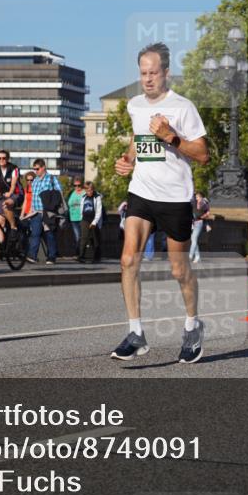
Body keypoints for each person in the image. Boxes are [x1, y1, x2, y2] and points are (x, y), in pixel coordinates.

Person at [111, 42, 209, 363]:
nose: (148, 79)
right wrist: (127, 160)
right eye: (143, 73)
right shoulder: (135, 105)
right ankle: (136, 333)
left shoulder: (183, 107)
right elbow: (137, 139)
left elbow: (203, 155)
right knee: (128, 260)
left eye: (153, 73)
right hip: (141, 192)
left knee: (179, 270)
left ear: (166, 72)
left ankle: (193, 326)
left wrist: (171, 137)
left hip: (175, 197)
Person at [27, 159, 61, 265]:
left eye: (37, 169)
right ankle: (32, 256)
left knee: (49, 234)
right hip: (36, 212)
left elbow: (59, 193)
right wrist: (31, 210)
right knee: (35, 234)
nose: (36, 171)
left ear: (43, 167)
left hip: (48, 212)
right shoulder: (35, 181)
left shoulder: (51, 179)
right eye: (34, 169)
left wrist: (54, 208)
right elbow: (33, 197)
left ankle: (51, 256)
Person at [76, 181, 104, 263]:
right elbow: (81, 208)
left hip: (94, 220)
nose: (89, 192)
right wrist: (81, 219)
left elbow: (99, 211)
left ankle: (97, 257)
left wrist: (95, 222)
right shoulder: (83, 197)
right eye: (87, 190)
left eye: (91, 190)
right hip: (85, 220)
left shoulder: (97, 197)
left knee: (95, 239)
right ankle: (81, 256)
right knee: (83, 238)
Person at [189, 191, 211, 264]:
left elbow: (208, 212)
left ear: (201, 197)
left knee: (194, 239)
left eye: (197, 197)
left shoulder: (204, 203)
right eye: (196, 197)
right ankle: (197, 257)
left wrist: (204, 216)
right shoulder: (194, 202)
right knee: (193, 240)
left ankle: (190, 256)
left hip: (199, 222)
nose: (196, 198)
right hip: (193, 223)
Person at [67, 177, 85, 252]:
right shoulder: (72, 193)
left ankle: (81, 252)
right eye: (75, 185)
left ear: (82, 185)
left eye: (79, 185)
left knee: (82, 236)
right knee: (77, 236)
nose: (77, 187)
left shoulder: (84, 193)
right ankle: (78, 251)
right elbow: (68, 203)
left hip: (82, 218)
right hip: (73, 218)